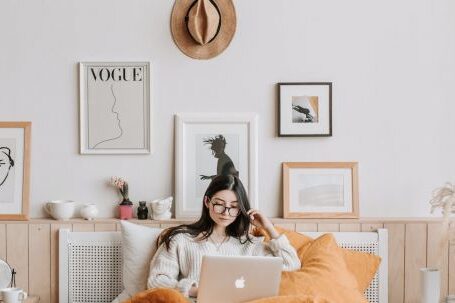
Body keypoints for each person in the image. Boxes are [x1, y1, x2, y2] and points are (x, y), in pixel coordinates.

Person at [147, 175, 300, 299]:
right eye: (219, 204)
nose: (226, 213)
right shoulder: (181, 240)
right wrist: (195, 291)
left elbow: (291, 264)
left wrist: (268, 227)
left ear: (241, 210)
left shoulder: (251, 244)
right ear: (207, 202)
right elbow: (156, 281)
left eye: (234, 207)